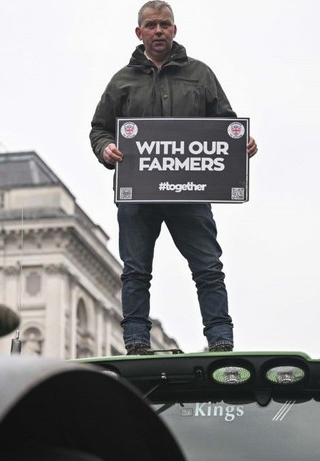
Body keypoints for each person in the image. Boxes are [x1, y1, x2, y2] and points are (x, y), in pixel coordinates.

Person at [89, 1, 258, 355]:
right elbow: (99, 129)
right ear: (139, 33)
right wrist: (106, 150)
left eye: (164, 24)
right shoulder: (121, 81)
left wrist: (241, 143)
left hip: (191, 193)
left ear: (174, 30)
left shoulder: (201, 75)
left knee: (208, 268)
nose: (158, 30)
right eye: (150, 25)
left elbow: (225, 124)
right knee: (135, 271)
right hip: (138, 195)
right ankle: (136, 341)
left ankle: (220, 340)